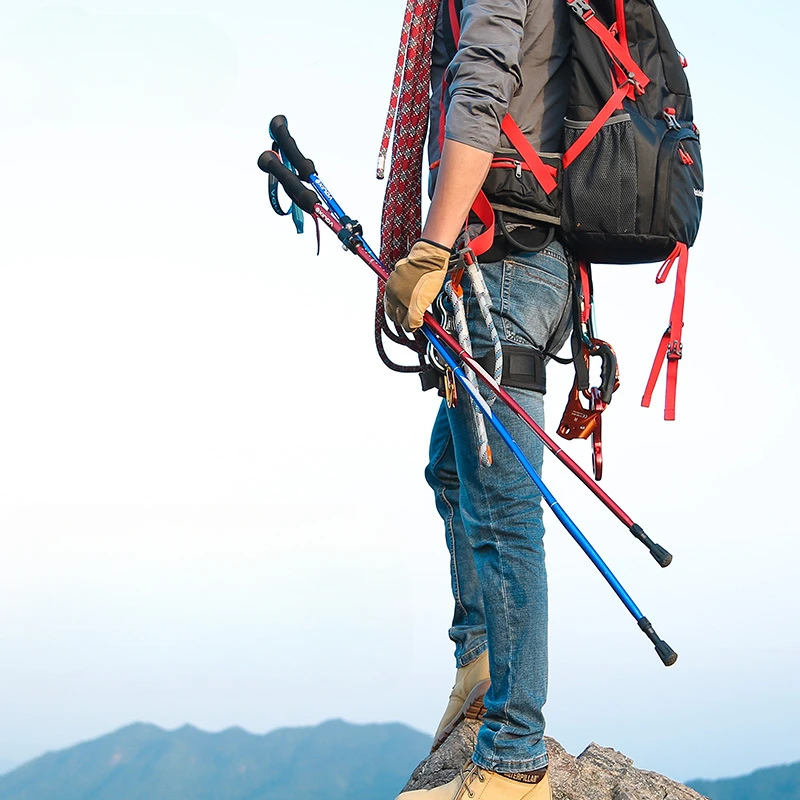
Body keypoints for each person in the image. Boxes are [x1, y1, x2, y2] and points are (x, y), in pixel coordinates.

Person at [383, 1, 574, 798]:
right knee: (454, 470)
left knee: (502, 509)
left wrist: (431, 245)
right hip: (517, 260)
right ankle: (482, 660)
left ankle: (513, 756)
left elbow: (483, 84)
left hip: (505, 262)